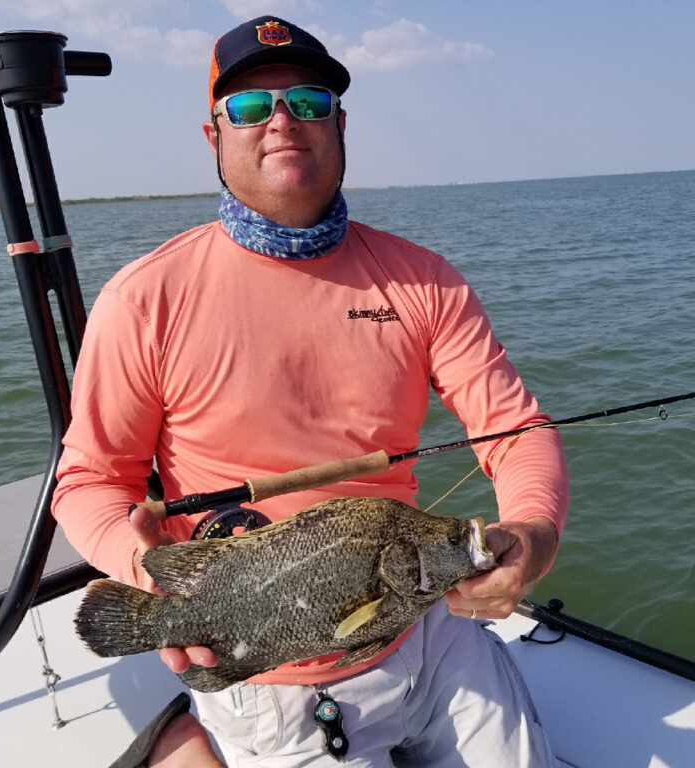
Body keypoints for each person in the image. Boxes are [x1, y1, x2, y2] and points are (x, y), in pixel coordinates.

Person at [53, 15, 569, 768]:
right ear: (214, 137)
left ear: (340, 123)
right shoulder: (144, 298)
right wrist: (143, 572)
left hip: (425, 623)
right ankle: (186, 734)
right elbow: (90, 481)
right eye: (252, 108)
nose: (283, 120)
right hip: (269, 672)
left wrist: (533, 535)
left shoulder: (423, 279)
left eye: (309, 101)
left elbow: (514, 432)